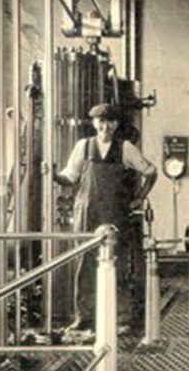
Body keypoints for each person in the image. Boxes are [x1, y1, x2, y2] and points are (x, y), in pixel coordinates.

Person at [55, 103, 158, 332]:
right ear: (94, 123)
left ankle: (121, 317)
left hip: (115, 213)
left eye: (110, 121)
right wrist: (52, 174)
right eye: (101, 121)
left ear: (116, 124)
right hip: (86, 212)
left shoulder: (126, 148)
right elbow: (70, 177)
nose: (105, 126)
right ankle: (85, 317)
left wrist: (140, 198)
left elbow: (151, 172)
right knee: (85, 264)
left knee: (118, 263)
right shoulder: (83, 147)